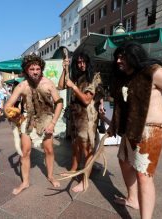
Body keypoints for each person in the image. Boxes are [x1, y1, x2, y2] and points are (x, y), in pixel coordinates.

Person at [107, 42, 162, 219]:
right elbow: (120, 105)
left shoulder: (152, 71)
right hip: (131, 129)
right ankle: (133, 199)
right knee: (124, 161)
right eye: (117, 57)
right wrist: (113, 125)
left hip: (150, 130)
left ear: (134, 56)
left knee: (143, 175)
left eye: (123, 56)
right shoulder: (125, 77)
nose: (118, 61)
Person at [4, 54, 63, 195]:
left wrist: (53, 123)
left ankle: (50, 176)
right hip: (28, 121)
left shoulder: (48, 83)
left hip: (46, 120)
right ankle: (25, 182)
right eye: (32, 69)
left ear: (41, 69)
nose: (35, 71)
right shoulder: (22, 86)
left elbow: (59, 103)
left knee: (48, 150)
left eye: (37, 68)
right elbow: (8, 105)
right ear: (26, 70)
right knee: (25, 153)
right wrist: (13, 113)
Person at [57, 52, 105, 192]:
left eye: (83, 61)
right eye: (78, 62)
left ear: (88, 62)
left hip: (88, 120)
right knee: (75, 145)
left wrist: (74, 87)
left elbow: (86, 100)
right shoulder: (77, 77)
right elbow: (61, 86)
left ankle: (85, 181)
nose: (81, 64)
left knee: (86, 149)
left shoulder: (95, 77)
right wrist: (64, 69)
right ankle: (73, 169)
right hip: (75, 118)